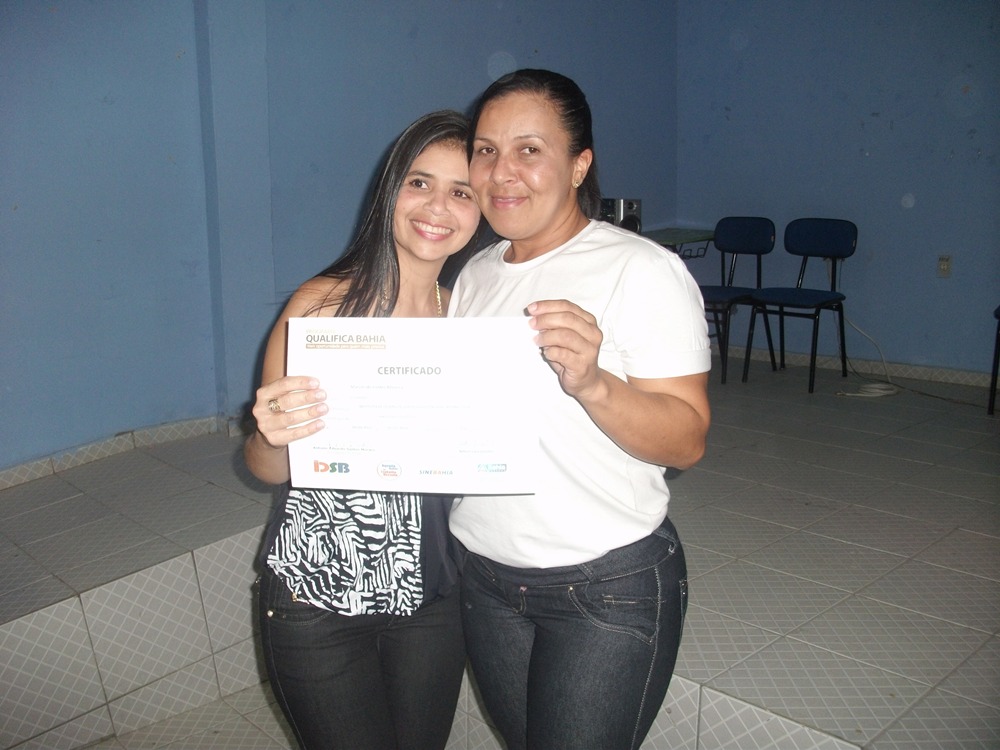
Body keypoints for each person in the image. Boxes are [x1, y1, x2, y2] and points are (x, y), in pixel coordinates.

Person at [448, 69, 711, 750]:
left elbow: (686, 439)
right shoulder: (474, 274)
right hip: (484, 574)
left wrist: (593, 383)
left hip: (605, 583)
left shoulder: (639, 270)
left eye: (529, 150)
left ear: (578, 165)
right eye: (485, 150)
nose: (501, 172)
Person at [244, 110, 483, 750]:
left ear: (481, 209)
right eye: (419, 182)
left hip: (433, 595)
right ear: (389, 191)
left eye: (461, 192)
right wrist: (271, 435)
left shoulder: (472, 322)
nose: (438, 207)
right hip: (317, 598)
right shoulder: (323, 307)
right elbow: (267, 469)